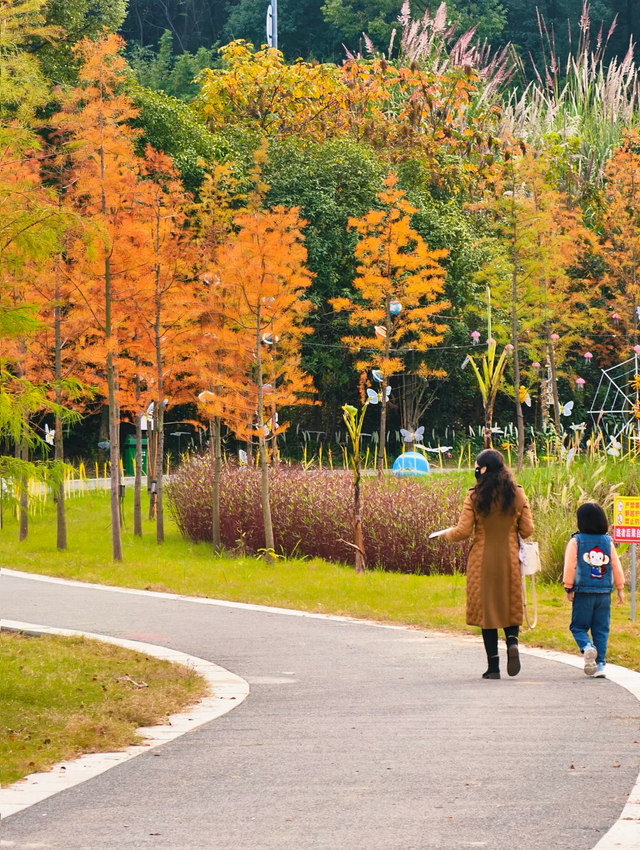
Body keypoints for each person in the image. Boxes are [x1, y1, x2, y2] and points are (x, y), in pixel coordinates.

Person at [443, 449, 534, 679]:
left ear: (483, 469)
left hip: (481, 560)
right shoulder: (518, 494)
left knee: (487, 611)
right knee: (509, 603)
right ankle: (512, 642)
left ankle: (493, 668)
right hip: (509, 558)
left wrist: (446, 534)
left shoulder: (474, 495)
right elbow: (527, 529)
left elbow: (463, 531)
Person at [563, 502, 625, 678]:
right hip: (604, 593)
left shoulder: (576, 541)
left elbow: (570, 566)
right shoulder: (608, 541)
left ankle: (587, 647)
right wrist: (619, 588)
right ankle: (600, 666)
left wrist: (568, 587)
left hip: (583, 592)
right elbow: (616, 565)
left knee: (578, 626)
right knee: (601, 629)